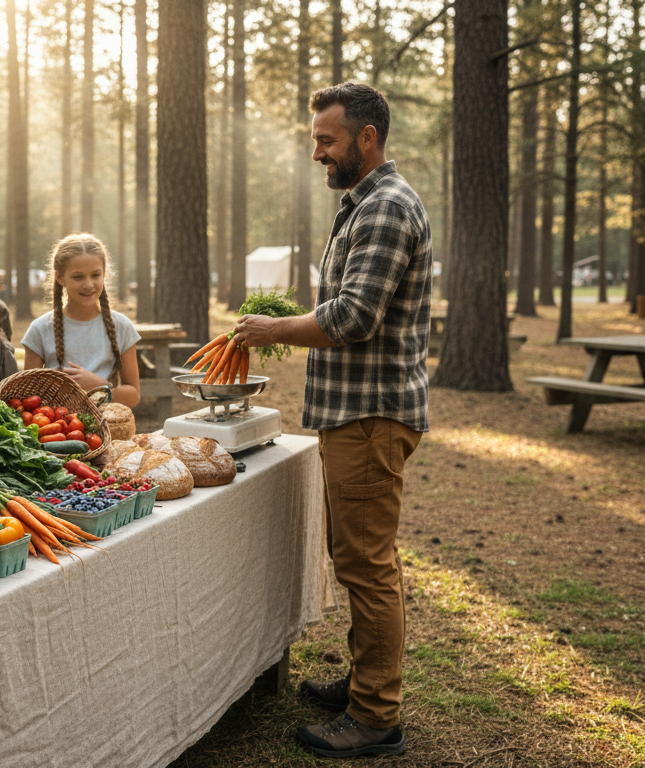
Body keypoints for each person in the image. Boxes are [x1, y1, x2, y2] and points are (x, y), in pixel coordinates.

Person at [233, 82, 430, 759]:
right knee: (358, 559)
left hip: (371, 416)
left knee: (368, 565)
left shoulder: (385, 209)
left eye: (327, 140)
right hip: (357, 414)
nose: (316, 151)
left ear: (366, 139)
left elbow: (351, 317)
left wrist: (270, 328)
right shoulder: (365, 205)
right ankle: (366, 682)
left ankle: (376, 715)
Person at [21, 234, 141, 408]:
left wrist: (101, 387)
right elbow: (28, 397)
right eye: (78, 277)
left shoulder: (122, 326)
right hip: (58, 430)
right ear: (60, 278)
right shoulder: (39, 329)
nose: (88, 284)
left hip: (107, 427)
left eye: (95, 275)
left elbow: (134, 396)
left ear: (104, 274)